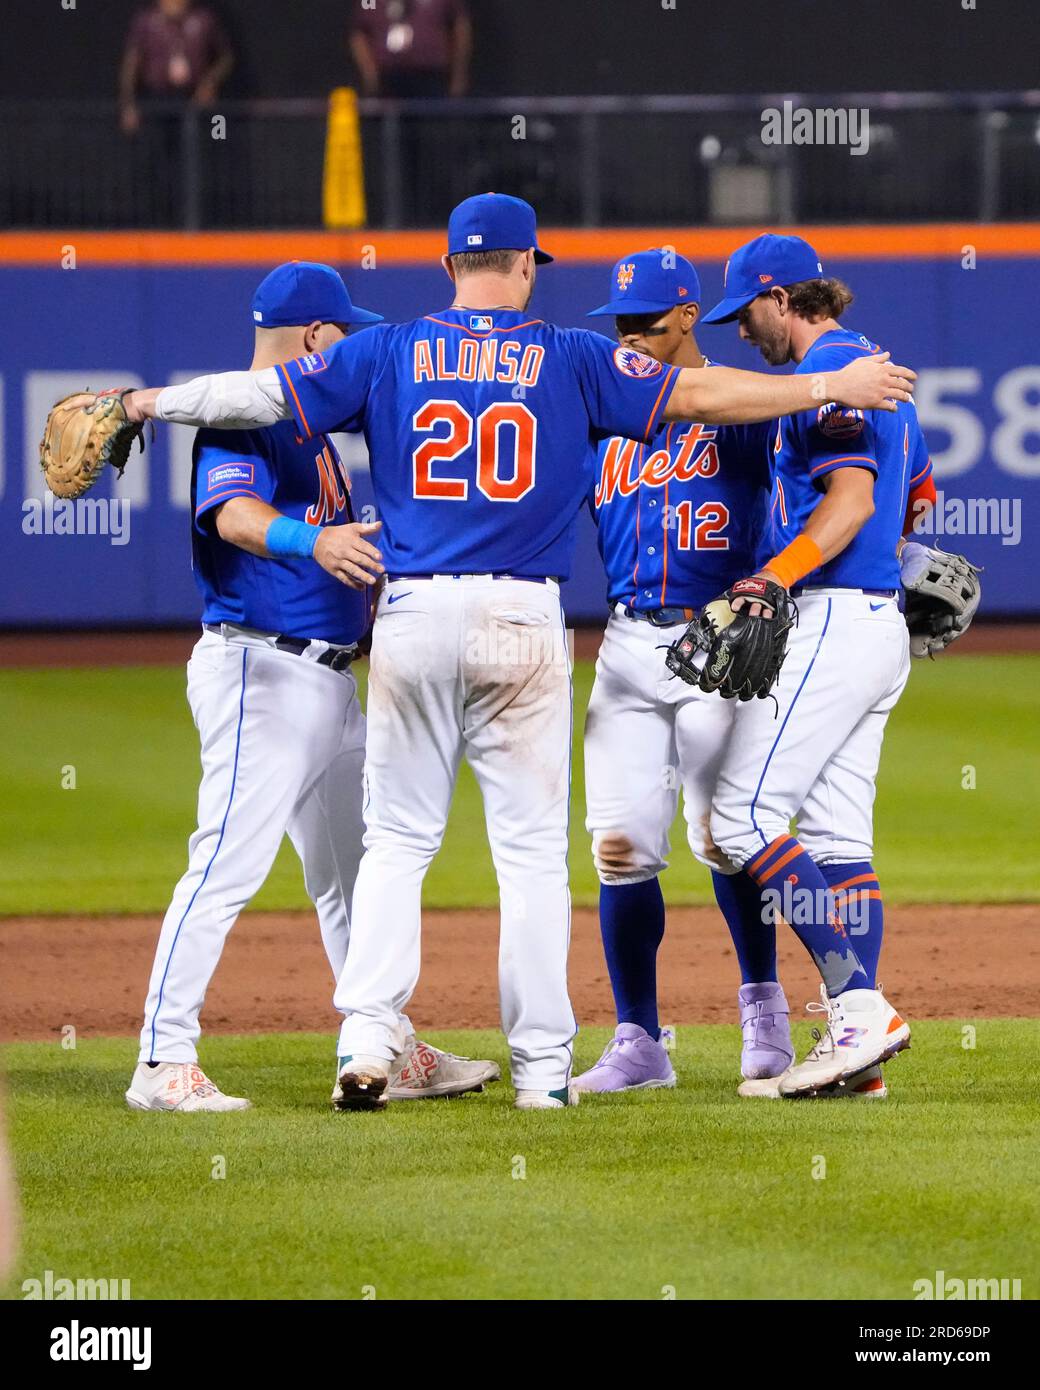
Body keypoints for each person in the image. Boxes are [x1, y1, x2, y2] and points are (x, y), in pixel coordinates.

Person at [108, 193, 914, 1113]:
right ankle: (541, 1072)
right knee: (532, 856)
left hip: (410, 616)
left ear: (450, 265)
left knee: (397, 845)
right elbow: (697, 393)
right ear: (528, 266)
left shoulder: (386, 348)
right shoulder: (571, 355)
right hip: (524, 622)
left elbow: (251, 395)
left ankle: (368, 1037)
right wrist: (822, 386)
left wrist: (141, 401)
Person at [126, 261, 498, 1113]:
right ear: (316, 338)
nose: (350, 350)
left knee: (356, 876)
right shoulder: (241, 419)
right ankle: (161, 1059)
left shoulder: (309, 428)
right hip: (264, 670)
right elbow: (232, 519)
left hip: (328, 680)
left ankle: (385, 1043)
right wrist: (312, 541)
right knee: (225, 862)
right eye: (344, 335)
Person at [701, 233, 932, 1098]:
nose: (742, 330)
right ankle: (856, 1058)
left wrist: (773, 574)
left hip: (834, 615)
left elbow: (855, 498)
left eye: (747, 312)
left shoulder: (832, 374)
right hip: (877, 624)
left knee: (743, 818)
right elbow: (918, 491)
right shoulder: (877, 368)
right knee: (836, 840)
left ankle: (859, 1005)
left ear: (781, 298)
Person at [573, 248, 794, 1094]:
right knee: (621, 847)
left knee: (726, 837)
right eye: (620, 326)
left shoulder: (746, 405)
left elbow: (825, 478)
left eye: (647, 326)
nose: (629, 340)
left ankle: (766, 1012)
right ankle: (638, 1042)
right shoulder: (601, 414)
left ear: (688, 317)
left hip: (720, 640)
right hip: (630, 642)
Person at [119, 0, 234, 136]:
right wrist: (128, 104)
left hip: (195, 97)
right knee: (158, 146)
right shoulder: (146, 22)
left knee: (206, 139)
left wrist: (211, 82)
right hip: (156, 98)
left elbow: (226, 58)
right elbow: (131, 65)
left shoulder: (204, 19)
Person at [348, 0, 471, 99]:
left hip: (432, 75)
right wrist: (369, 71)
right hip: (386, 77)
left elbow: (460, 26)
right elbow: (359, 32)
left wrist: (458, 74)